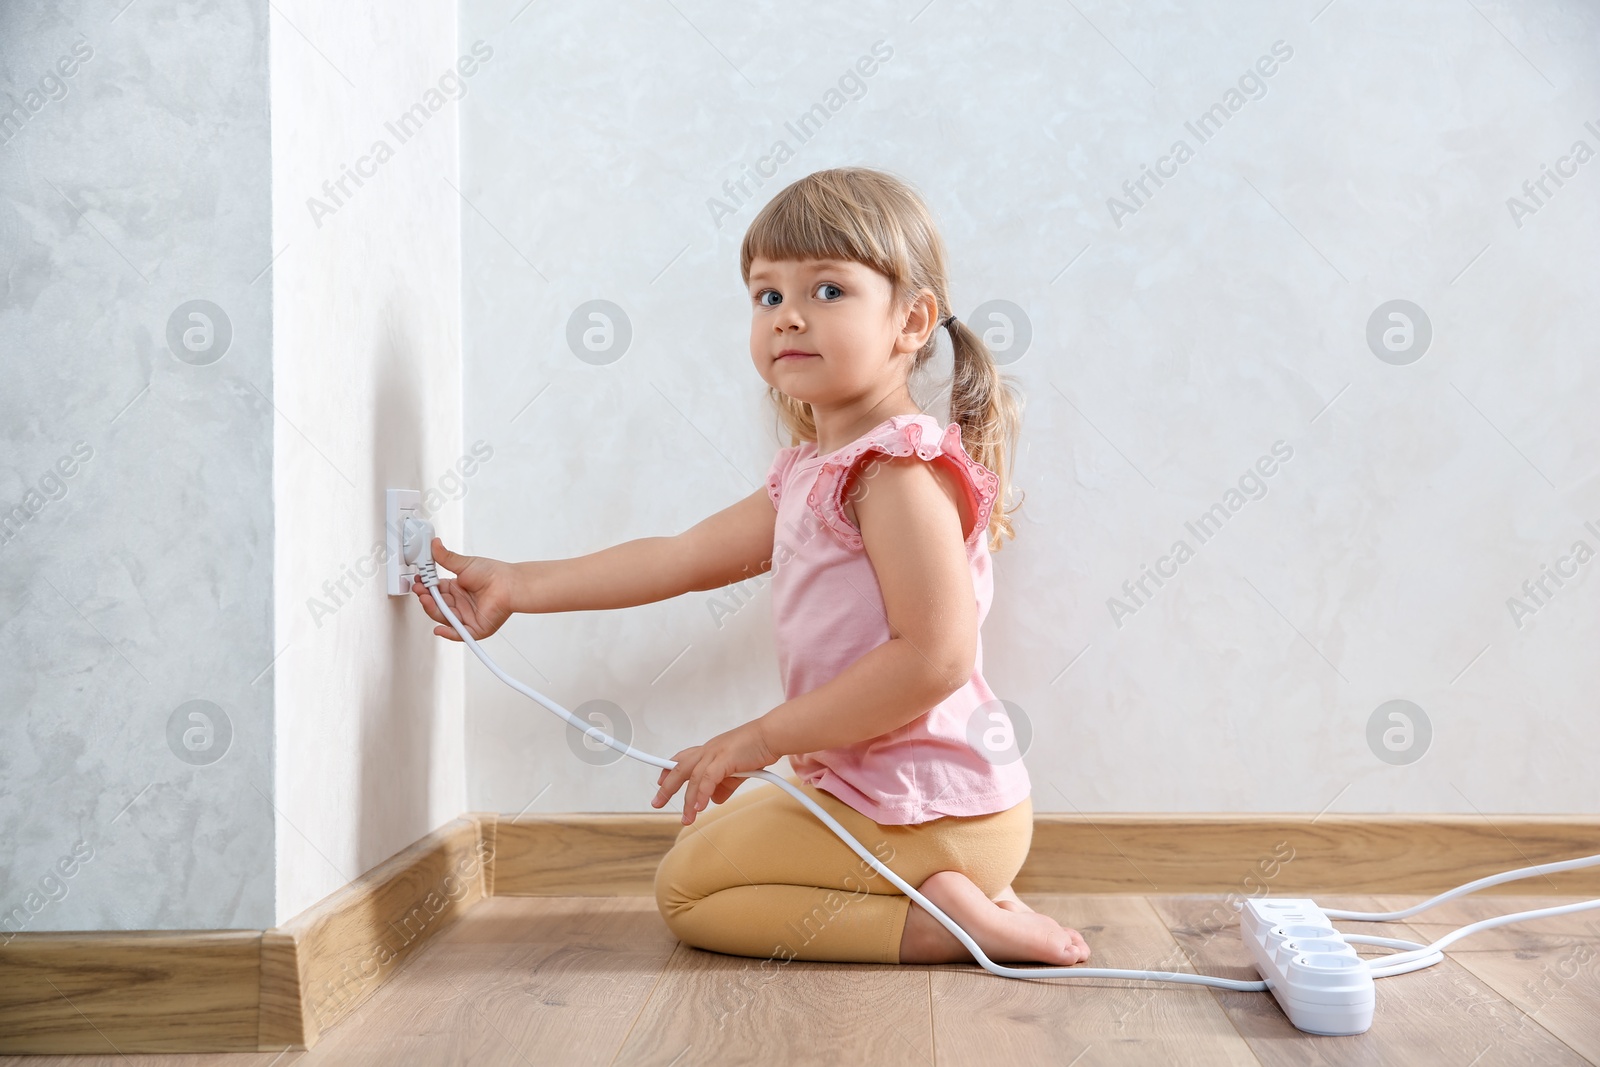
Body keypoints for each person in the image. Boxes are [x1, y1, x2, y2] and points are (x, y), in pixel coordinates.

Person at [412, 166, 1089, 968]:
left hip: (931, 806)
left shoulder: (895, 471)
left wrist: (759, 738)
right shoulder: (814, 470)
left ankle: (943, 922)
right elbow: (681, 558)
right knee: (719, 829)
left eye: (828, 290)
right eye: (768, 296)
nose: (789, 315)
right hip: (885, 799)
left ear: (912, 321)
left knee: (686, 890)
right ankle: (954, 891)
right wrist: (521, 585)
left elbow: (937, 656)